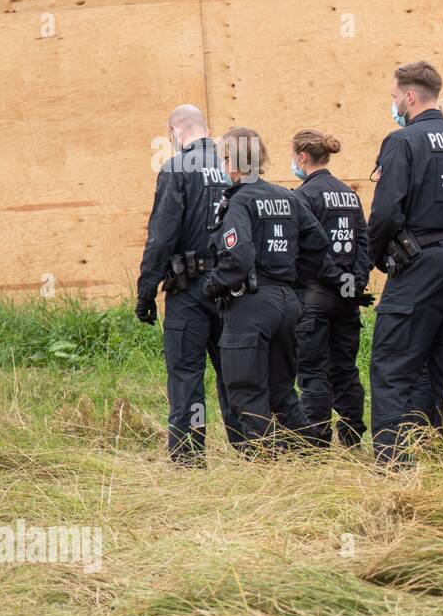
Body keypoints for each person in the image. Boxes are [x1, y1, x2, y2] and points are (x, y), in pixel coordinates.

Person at [368, 61, 443, 464]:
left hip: (418, 268)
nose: (395, 103)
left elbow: (385, 213)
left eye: (395, 96)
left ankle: (392, 462)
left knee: (392, 364)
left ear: (410, 96)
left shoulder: (402, 141)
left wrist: (373, 258)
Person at [204, 128, 328, 451]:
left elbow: (238, 255)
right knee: (283, 393)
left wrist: (212, 286)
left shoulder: (239, 201)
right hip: (286, 304)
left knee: (247, 394)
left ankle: (262, 470)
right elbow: (318, 242)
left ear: (233, 160)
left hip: (250, 306)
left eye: (224, 158)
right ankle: (308, 459)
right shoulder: (286, 196)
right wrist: (294, 280)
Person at [135, 104, 246, 464]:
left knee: (186, 374)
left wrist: (146, 290)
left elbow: (162, 236)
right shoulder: (234, 165)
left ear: (174, 131)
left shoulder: (176, 169)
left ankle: (188, 455)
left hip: (189, 289)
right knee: (235, 372)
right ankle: (249, 448)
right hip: (232, 288)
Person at [290, 129, 372, 447]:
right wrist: (355, 279)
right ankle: (352, 436)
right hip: (348, 296)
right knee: (345, 368)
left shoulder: (303, 196)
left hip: (315, 294)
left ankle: (316, 438)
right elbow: (363, 241)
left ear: (302, 157)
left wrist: (334, 276)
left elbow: (310, 249)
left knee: (312, 369)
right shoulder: (348, 194)